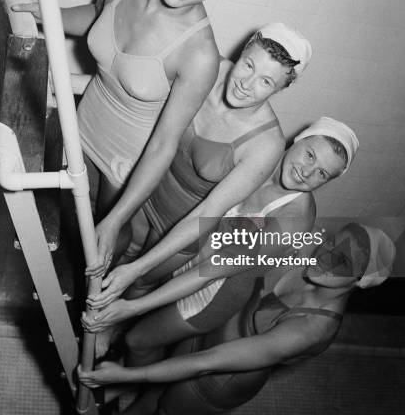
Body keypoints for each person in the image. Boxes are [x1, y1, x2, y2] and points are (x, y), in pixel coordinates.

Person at [12, 0, 248, 271]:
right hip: (85, 120)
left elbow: (164, 144)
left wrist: (119, 217)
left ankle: (96, 294)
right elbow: (98, 15)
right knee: (73, 217)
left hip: (129, 157)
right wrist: (49, 14)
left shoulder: (200, 56)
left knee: (104, 236)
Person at [78, 223, 396, 415]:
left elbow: (207, 363)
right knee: (158, 390)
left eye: (342, 261)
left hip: (222, 379)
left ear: (359, 280)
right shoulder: (309, 261)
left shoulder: (311, 330)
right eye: (331, 243)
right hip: (216, 332)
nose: (325, 255)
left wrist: (128, 373)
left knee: (169, 411)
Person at [83, 118, 360, 364]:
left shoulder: (292, 221)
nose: (308, 172)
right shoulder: (261, 152)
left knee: (139, 341)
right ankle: (111, 330)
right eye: (310, 155)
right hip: (197, 246)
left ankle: (128, 387)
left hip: (216, 287)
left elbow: (208, 274)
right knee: (141, 280)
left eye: (322, 173)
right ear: (297, 140)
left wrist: (132, 308)